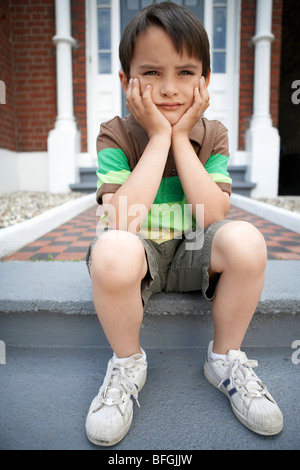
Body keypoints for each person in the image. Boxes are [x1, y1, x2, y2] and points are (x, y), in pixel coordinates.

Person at [85, 2, 283, 446]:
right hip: (140, 257)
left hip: (195, 249)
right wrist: (158, 136)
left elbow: (212, 215)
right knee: (111, 249)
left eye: (186, 72)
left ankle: (224, 358)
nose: (169, 89)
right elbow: (120, 219)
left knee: (247, 240)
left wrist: (180, 137)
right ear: (125, 81)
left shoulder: (212, 135)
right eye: (151, 73)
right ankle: (127, 363)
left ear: (205, 81)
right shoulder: (115, 134)